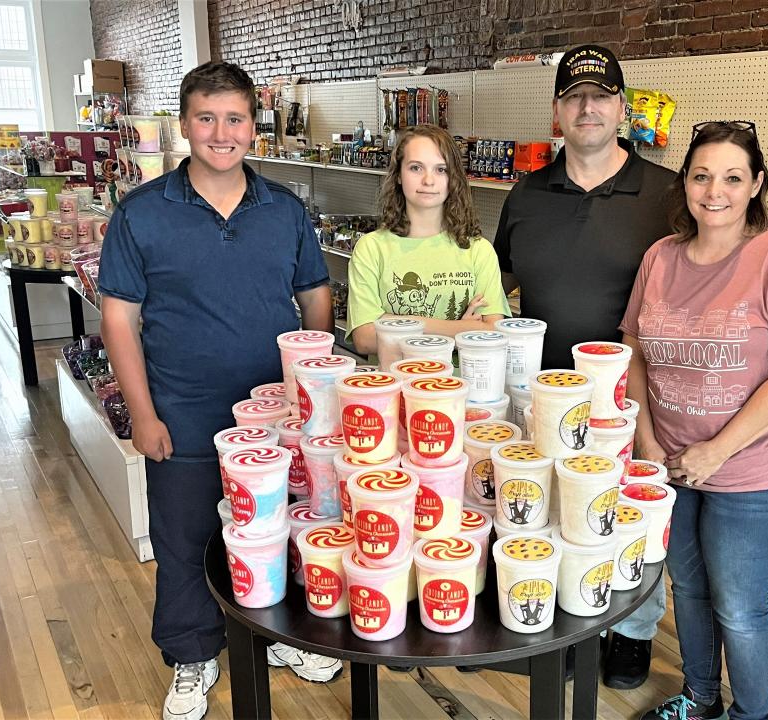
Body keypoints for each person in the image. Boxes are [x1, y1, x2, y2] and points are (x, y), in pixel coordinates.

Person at [98, 61, 341, 720]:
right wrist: (141, 414)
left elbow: (315, 297)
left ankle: (280, 635)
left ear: (254, 127)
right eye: (205, 117)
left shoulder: (284, 212)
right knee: (183, 539)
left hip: (275, 420)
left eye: (234, 118)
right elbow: (119, 317)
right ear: (183, 125)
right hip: (181, 413)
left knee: (281, 531)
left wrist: (313, 396)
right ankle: (192, 653)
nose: (220, 132)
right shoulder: (142, 214)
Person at [621, 121, 768, 720]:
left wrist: (717, 450)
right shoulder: (659, 257)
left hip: (756, 477)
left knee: (740, 608)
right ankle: (701, 698)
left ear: (756, 184)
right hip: (672, 467)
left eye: (733, 178)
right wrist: (649, 439)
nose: (716, 190)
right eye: (702, 175)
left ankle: (752, 715)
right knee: (686, 590)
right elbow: (633, 350)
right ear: (685, 183)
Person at [493, 44, 675, 689]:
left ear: (622, 108)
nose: (587, 107)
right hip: (541, 398)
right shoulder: (527, 193)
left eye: (600, 96)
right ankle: (566, 620)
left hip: (633, 400)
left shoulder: (666, 195)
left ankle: (631, 630)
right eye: (574, 96)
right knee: (558, 511)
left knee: (628, 511)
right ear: (556, 112)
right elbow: (498, 286)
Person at [346, 124, 510, 353]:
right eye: (415, 168)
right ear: (399, 175)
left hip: (463, 386)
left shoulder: (477, 250)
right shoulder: (371, 249)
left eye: (441, 169)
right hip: (397, 386)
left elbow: (492, 330)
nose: (428, 180)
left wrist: (389, 322)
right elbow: (365, 338)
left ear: (453, 178)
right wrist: (460, 329)